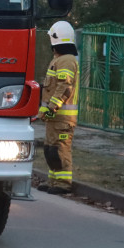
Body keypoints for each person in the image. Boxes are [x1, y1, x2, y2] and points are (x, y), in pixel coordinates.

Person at [35, 21, 79, 195]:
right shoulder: (59, 60)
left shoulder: (66, 61)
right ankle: (54, 180)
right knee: (50, 150)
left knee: (59, 149)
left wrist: (52, 107)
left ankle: (63, 183)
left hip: (61, 117)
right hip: (54, 117)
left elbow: (65, 86)